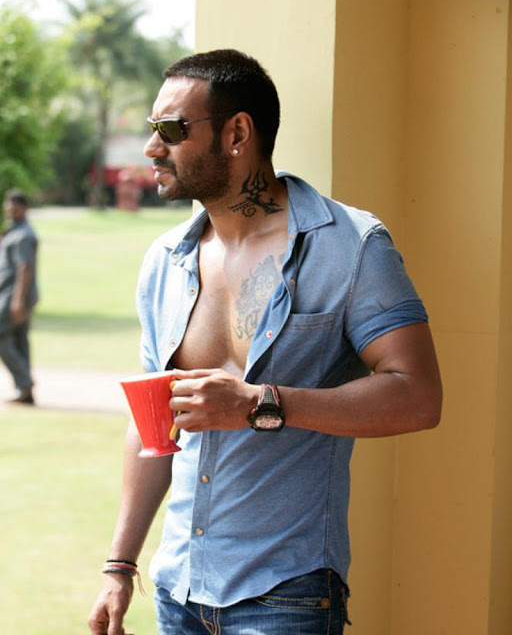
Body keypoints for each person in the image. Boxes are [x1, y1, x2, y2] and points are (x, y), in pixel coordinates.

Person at [88, 49, 442, 635]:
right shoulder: (166, 261)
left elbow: (419, 397)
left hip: (287, 593)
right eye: (153, 129)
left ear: (236, 133)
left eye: (171, 130)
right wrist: (119, 566)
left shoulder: (351, 246)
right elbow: (151, 423)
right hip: (178, 588)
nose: (151, 148)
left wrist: (259, 403)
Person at [0, 189, 39, 404]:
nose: (10, 210)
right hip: (14, 295)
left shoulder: (23, 235)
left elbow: (25, 267)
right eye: (8, 206)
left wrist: (17, 300)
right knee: (20, 340)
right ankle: (26, 392)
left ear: (24, 209)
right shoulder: (14, 231)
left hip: (14, 296)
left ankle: (24, 383)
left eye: (15, 207)